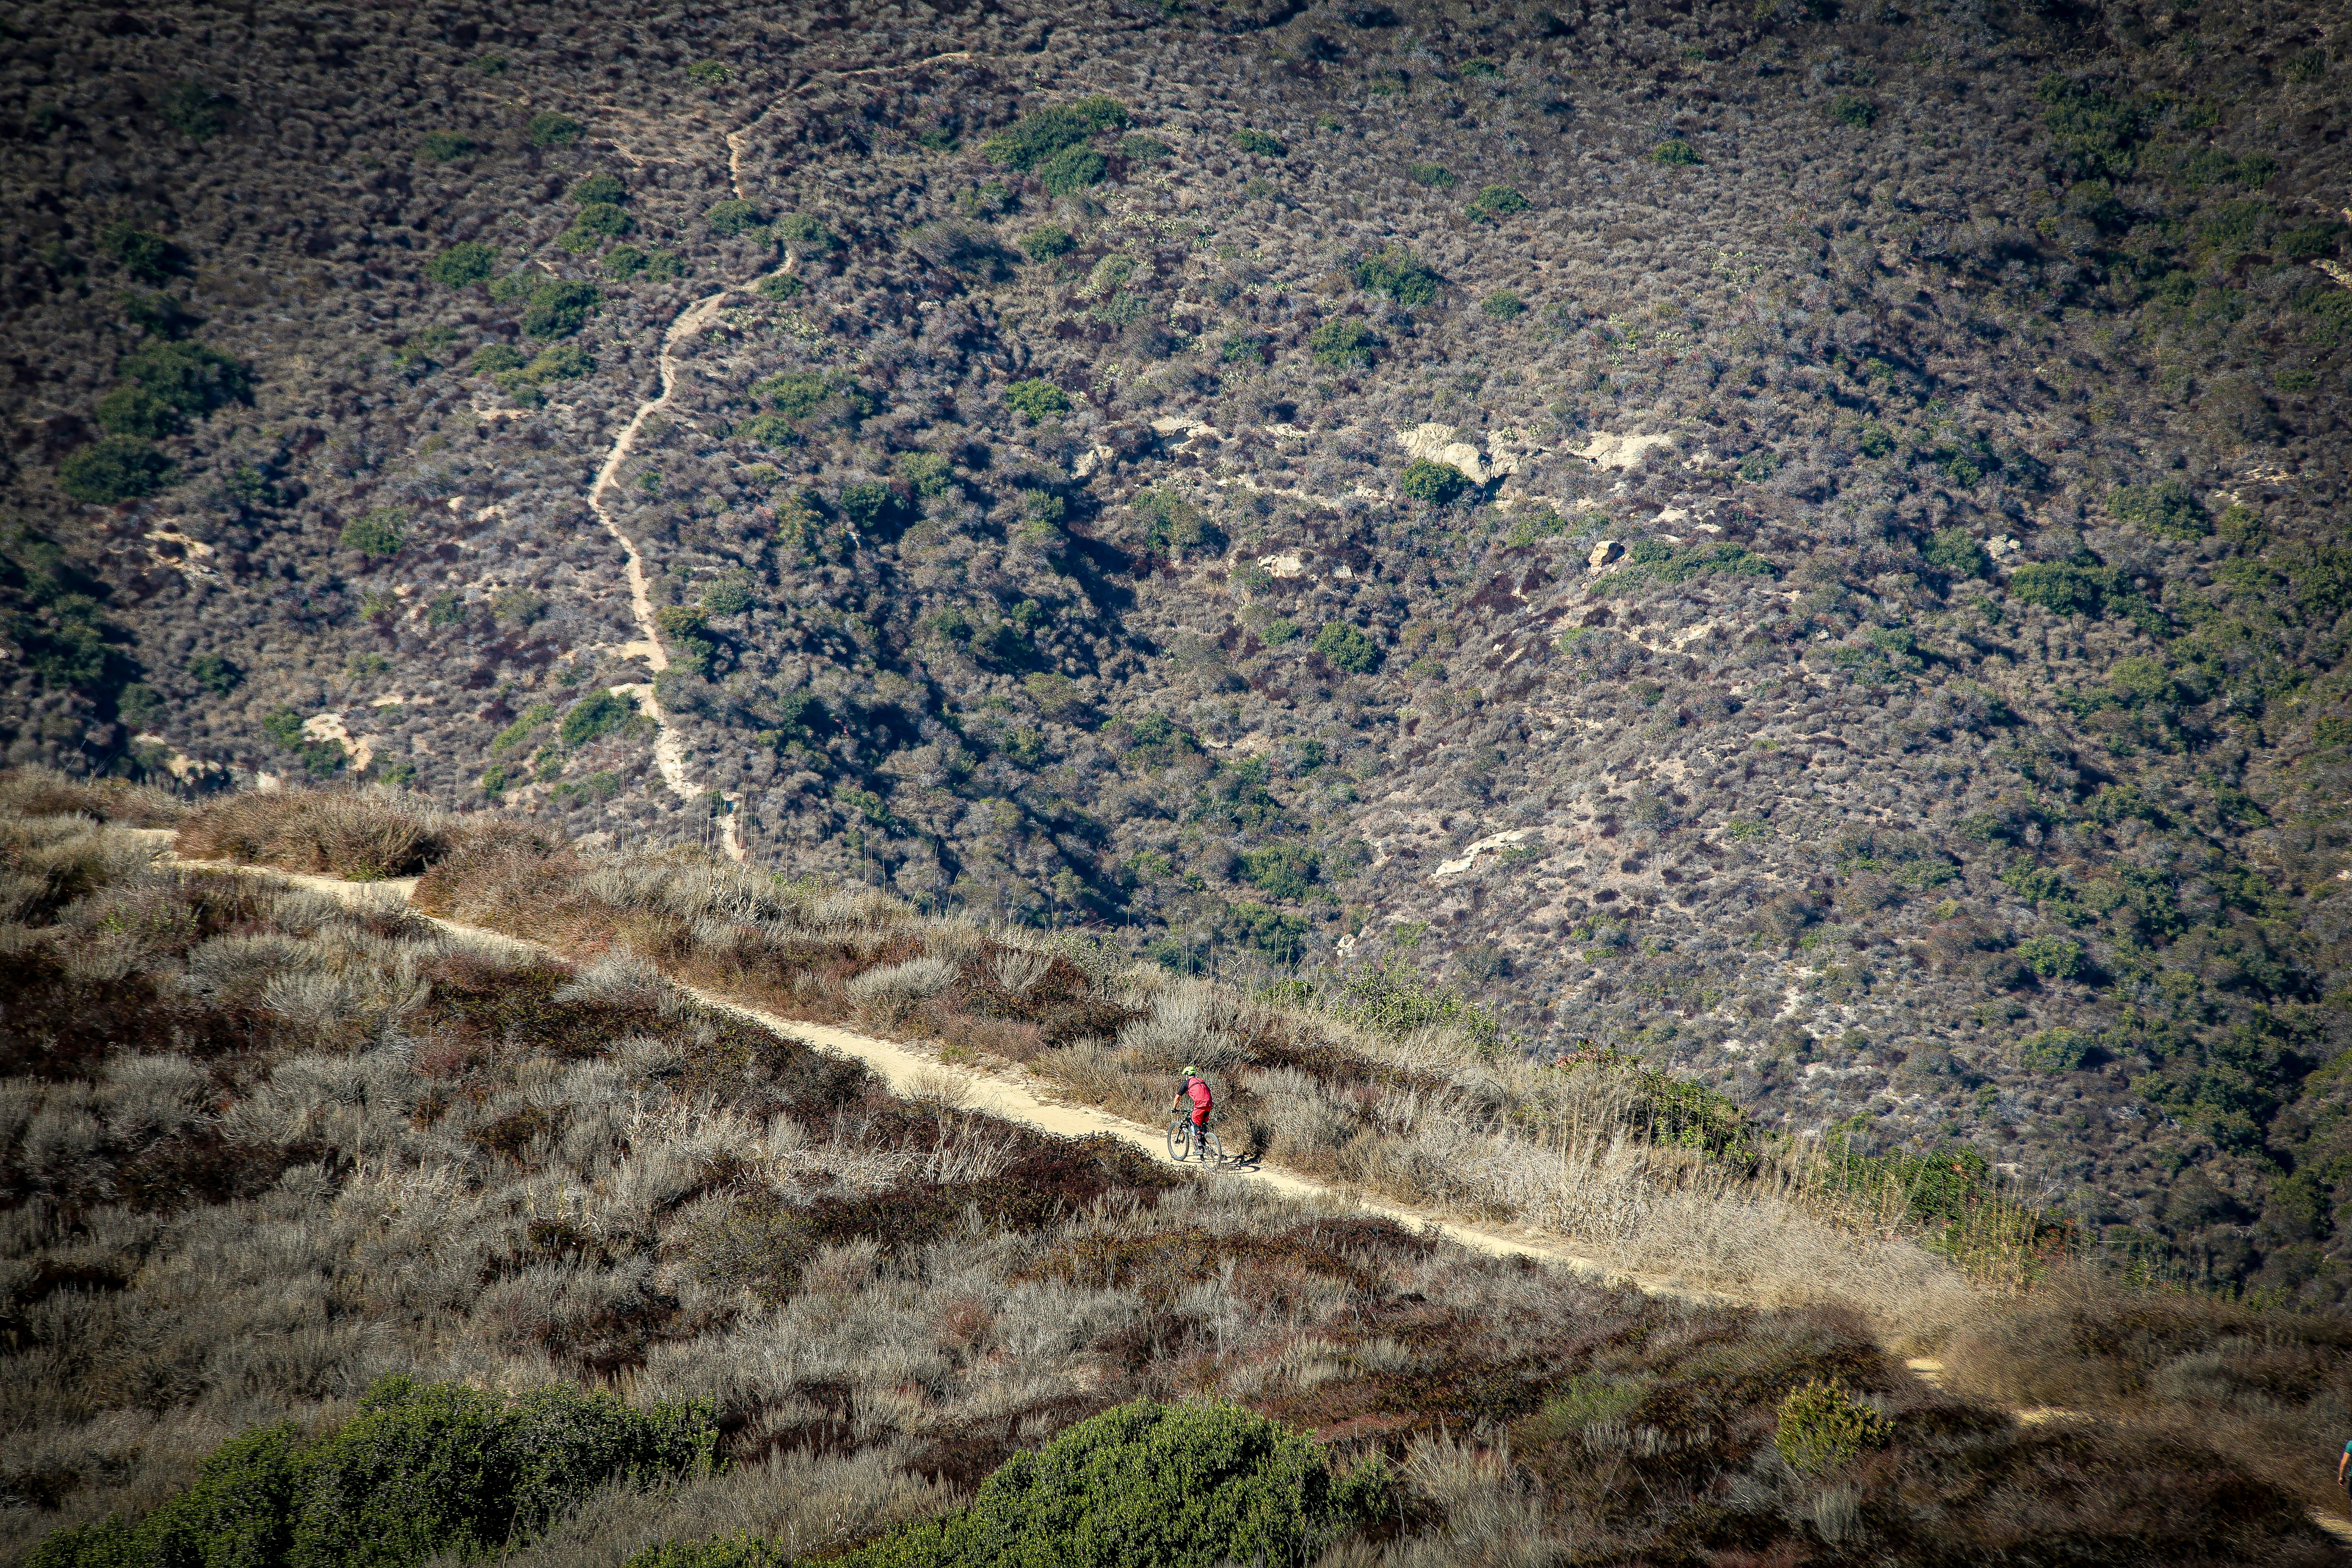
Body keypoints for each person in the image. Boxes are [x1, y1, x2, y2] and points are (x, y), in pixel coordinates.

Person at [1172, 1064, 1213, 1159]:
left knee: (1195, 1122)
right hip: (1209, 1105)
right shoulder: (1202, 1081)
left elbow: (1178, 1097)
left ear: (1187, 1075)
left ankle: (1200, 1147)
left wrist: (1174, 1108)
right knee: (1202, 1122)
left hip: (1200, 1106)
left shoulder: (1187, 1083)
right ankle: (1204, 1139)